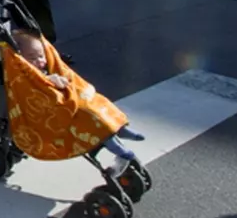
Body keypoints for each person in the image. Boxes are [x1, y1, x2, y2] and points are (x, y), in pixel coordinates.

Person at [11, 29, 145, 176]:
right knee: (89, 116)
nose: (41, 61)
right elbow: (37, 87)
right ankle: (120, 150)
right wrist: (53, 81)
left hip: (70, 98)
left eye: (41, 56)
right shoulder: (25, 77)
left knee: (98, 101)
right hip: (59, 108)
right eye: (33, 58)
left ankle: (119, 127)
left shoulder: (42, 69)